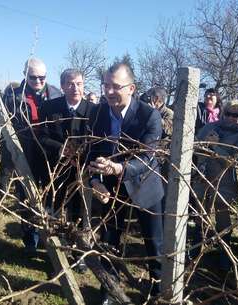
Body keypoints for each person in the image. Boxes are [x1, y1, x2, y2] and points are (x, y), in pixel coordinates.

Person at [88, 63, 164, 303]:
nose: (109, 92)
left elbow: (148, 155)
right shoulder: (98, 112)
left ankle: (157, 290)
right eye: (106, 86)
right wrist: (94, 180)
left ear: (131, 88)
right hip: (110, 187)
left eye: (116, 87)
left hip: (144, 183)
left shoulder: (148, 115)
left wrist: (121, 168)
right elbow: (90, 149)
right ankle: (109, 290)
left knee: (154, 241)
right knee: (110, 238)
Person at [39, 69, 96, 272]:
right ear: (62, 86)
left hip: (82, 172)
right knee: (54, 211)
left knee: (80, 213)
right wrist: (62, 150)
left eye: (79, 83)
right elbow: (42, 137)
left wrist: (81, 157)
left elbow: (97, 141)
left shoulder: (94, 111)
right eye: (71, 84)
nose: (76, 88)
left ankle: (79, 254)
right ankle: (56, 256)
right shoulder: (49, 108)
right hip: (56, 170)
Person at [2, 58, 61, 254]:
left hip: (49, 155)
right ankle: (30, 240)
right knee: (26, 197)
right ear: (25, 75)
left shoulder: (54, 94)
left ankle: (50, 238)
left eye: (42, 77)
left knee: (51, 197)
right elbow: (3, 127)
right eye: (33, 77)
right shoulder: (13, 97)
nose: (38, 81)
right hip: (25, 154)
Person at [191, 99, 238, 271]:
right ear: (223, 112)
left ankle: (224, 252)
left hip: (224, 181)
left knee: (223, 217)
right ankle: (196, 249)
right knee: (200, 213)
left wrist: (216, 147)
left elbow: (235, 162)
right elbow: (193, 147)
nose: (231, 117)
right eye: (228, 113)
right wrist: (203, 145)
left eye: (235, 114)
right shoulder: (209, 127)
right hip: (202, 177)